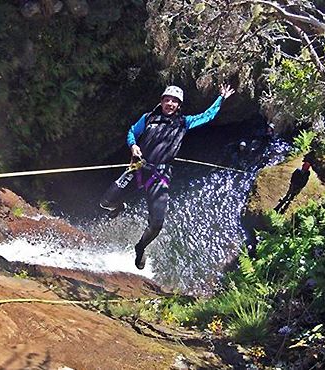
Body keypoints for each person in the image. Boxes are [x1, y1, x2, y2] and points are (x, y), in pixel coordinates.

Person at [99, 84, 236, 269]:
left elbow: (207, 116)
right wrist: (133, 146)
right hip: (138, 167)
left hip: (159, 175)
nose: (170, 103)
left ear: (179, 105)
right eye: (167, 99)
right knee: (105, 203)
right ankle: (118, 207)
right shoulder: (148, 118)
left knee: (156, 224)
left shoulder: (184, 122)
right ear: (161, 101)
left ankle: (140, 248)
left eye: (174, 101)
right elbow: (132, 131)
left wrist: (221, 98)